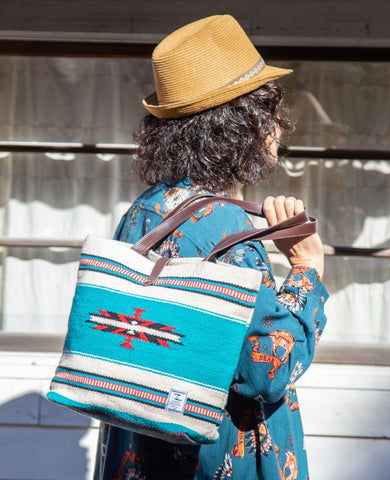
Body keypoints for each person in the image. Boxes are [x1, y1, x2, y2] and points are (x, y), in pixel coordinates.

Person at [94, 14, 328, 480]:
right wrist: (307, 270)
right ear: (242, 122)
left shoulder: (145, 211)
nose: (279, 127)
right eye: (270, 110)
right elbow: (264, 374)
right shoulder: (222, 224)